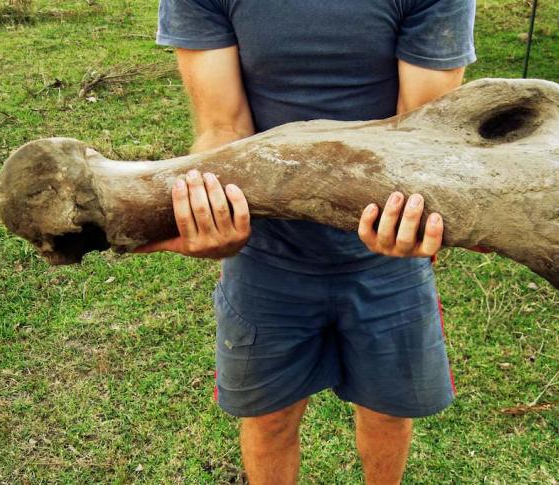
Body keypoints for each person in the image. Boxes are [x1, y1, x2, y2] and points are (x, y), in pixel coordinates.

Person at [139, 1, 476, 483]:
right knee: (270, 419)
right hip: (266, 254)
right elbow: (223, 128)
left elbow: (421, 136)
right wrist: (212, 209)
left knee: (388, 414)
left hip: (387, 259)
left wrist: (416, 218)